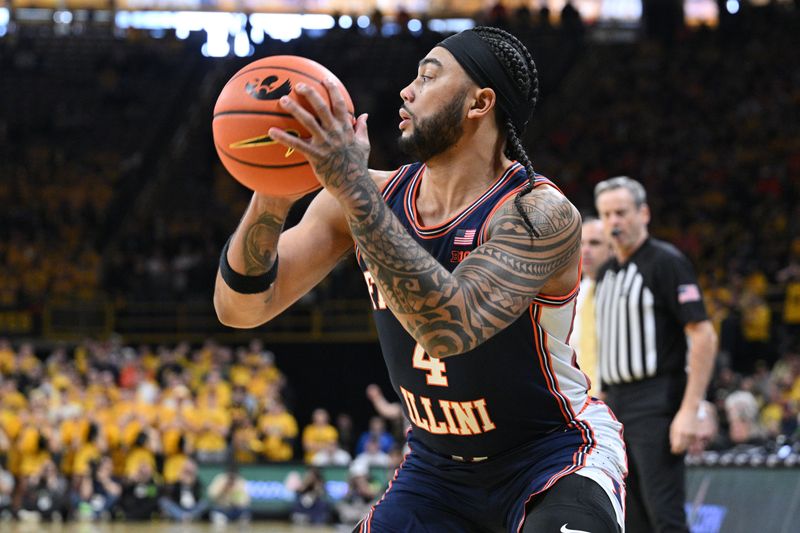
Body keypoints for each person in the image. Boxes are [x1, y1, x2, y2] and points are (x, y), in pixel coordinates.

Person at [214, 26, 626, 532]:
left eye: (428, 77)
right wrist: (273, 191)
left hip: (550, 458)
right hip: (435, 473)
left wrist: (349, 186)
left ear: (481, 103)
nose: (407, 90)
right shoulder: (366, 196)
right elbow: (241, 309)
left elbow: (447, 329)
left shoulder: (537, 213)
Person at [593, 176, 718, 532]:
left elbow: (703, 334)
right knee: (629, 517)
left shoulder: (666, 262)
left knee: (664, 516)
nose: (614, 221)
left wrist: (690, 409)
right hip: (615, 403)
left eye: (621, 212)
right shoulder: (606, 273)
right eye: (606, 214)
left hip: (657, 401)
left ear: (643, 213)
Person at [569, 216, 613, 396]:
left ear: (612, 248)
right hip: (581, 404)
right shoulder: (571, 296)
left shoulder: (627, 291)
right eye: (581, 243)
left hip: (621, 398)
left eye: (594, 243)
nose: (585, 250)